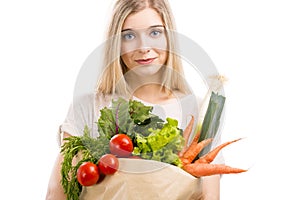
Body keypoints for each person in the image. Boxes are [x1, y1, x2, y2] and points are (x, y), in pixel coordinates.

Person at [46, 0, 223, 199]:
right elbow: (57, 193)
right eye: (129, 36)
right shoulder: (88, 106)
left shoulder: (199, 111)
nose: (144, 47)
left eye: (154, 33)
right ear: (116, 43)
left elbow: (209, 196)